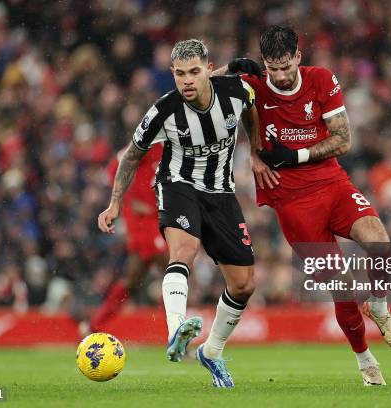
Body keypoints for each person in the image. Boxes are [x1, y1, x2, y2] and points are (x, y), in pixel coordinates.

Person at [216, 26, 391, 386]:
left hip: (332, 183)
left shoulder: (320, 79)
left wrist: (297, 154)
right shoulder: (253, 84)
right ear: (264, 64)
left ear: (298, 57)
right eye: (273, 68)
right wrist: (228, 69)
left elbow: (343, 139)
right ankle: (365, 360)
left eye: (286, 66)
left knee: (380, 243)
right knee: (342, 287)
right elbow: (192, 90)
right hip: (292, 200)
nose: (281, 75)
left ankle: (379, 304)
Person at [98, 39, 260, 388]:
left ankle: (212, 352)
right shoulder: (163, 111)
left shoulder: (236, 92)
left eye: (194, 72)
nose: (187, 81)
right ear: (172, 74)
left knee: (244, 284)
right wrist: (115, 203)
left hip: (221, 192)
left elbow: (251, 111)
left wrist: (257, 152)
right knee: (183, 252)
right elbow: (131, 156)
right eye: (180, 74)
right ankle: (176, 333)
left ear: (208, 69)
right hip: (178, 185)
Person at [79, 143, 167, 336]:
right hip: (143, 223)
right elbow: (116, 167)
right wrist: (129, 198)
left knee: (133, 280)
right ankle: (177, 331)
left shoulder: (174, 145)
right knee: (174, 269)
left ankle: (94, 326)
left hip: (159, 218)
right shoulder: (151, 141)